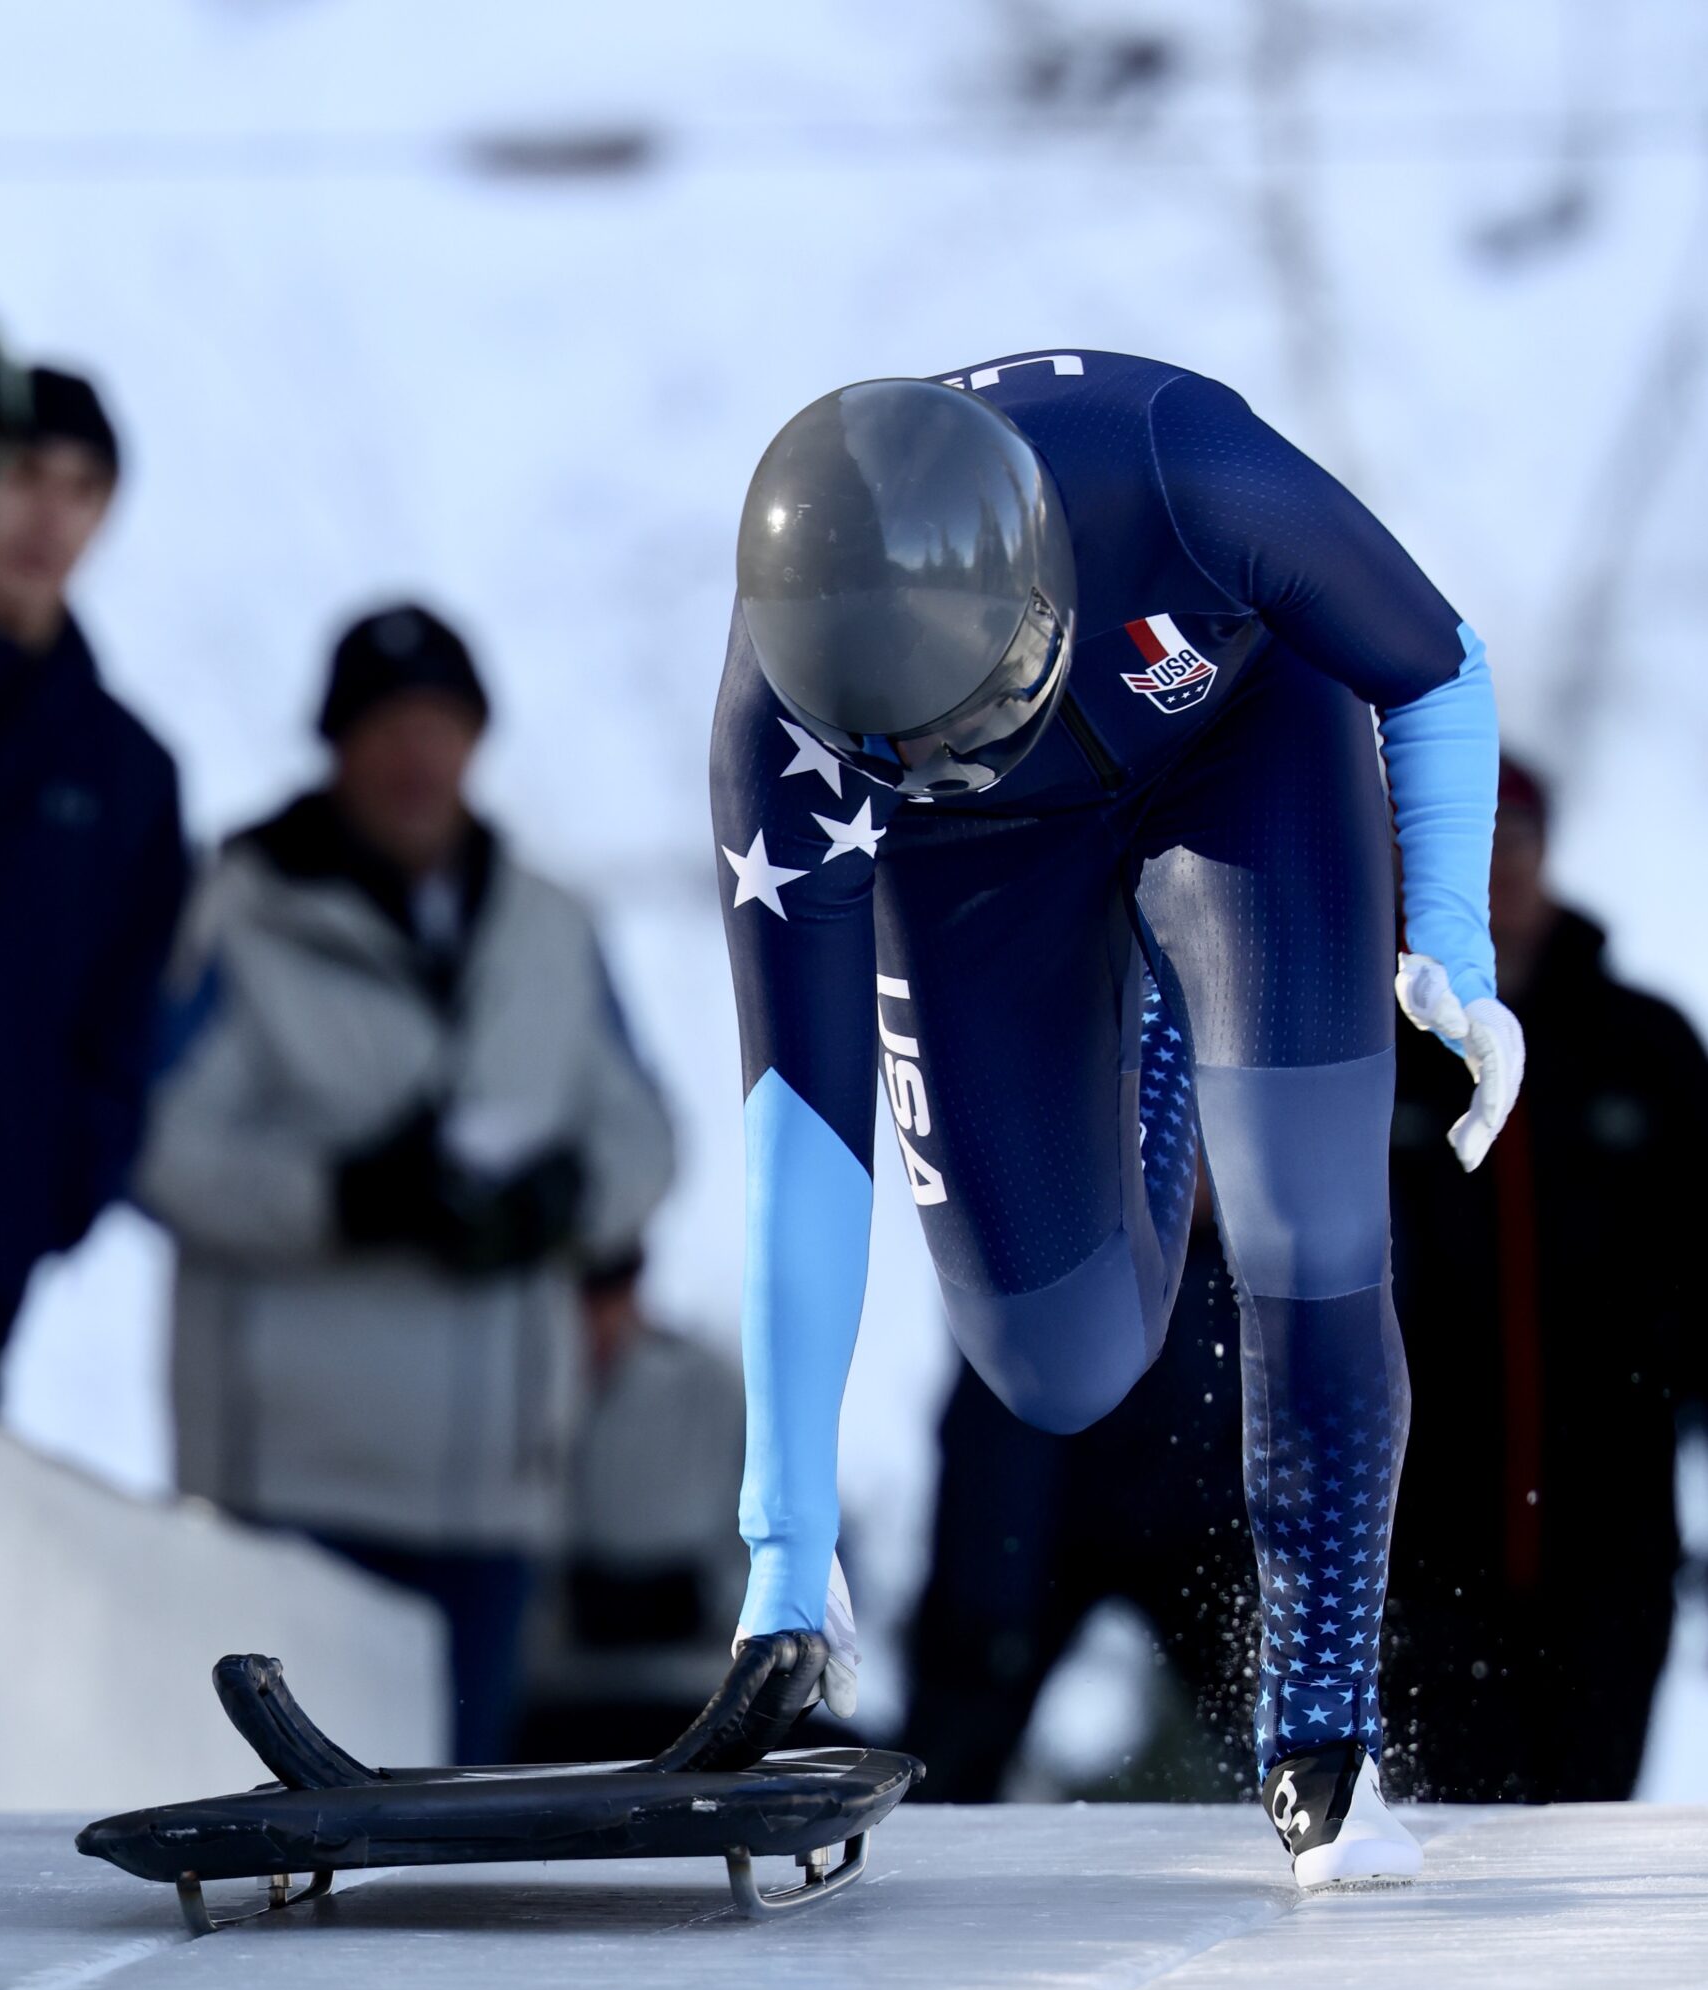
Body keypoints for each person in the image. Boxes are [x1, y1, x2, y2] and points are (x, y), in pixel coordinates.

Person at [702, 348, 1527, 1889]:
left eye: (979, 704)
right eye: (912, 737)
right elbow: (800, 1134)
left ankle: (1320, 1740)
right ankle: (1145, 1026)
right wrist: (782, 1549)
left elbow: (1437, 661)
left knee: (1309, 1215)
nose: (959, 738)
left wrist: (1451, 942)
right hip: (973, 870)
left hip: (1238, 762)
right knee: (1058, 1368)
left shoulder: (1186, 471)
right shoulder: (785, 741)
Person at [137, 603, 674, 1759]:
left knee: (449, 1883)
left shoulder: (550, 927)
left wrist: (560, 1203)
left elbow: (643, 1138)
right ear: (334, 744)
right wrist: (345, 1199)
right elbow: (155, 1147)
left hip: (490, 1495)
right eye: (385, 726)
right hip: (281, 1490)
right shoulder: (236, 914)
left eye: (440, 724)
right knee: (278, 1846)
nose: (415, 755)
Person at [1387, 754, 1708, 1802]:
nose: (1492, 876)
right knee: (1453, 1848)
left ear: (1544, 856)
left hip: (1607, 1534)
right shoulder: (1372, 1053)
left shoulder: (1644, 1046)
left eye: (1511, 847)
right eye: (1461, 854)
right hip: (1424, 1544)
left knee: (1584, 1831)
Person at [903, 1183, 1252, 1803]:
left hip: (1203, 1531)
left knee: (1274, 1710)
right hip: (1045, 1530)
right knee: (955, 1742)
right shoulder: (1040, 1216)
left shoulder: (1263, 1254)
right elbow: (992, 1434)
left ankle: (1345, 1808)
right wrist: (989, 1605)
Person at [0, 361, 188, 1359]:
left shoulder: (129, 774)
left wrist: (60, 1183)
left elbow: (126, 1015)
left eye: (84, 488)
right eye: (27, 473)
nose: (50, 515)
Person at [518, 1248, 751, 1762]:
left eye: (608, 1294)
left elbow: (760, 1551)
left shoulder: (705, 1387)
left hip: (694, 1690)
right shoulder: (508, 1392)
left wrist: (690, 1603)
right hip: (552, 1697)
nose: (593, 1318)